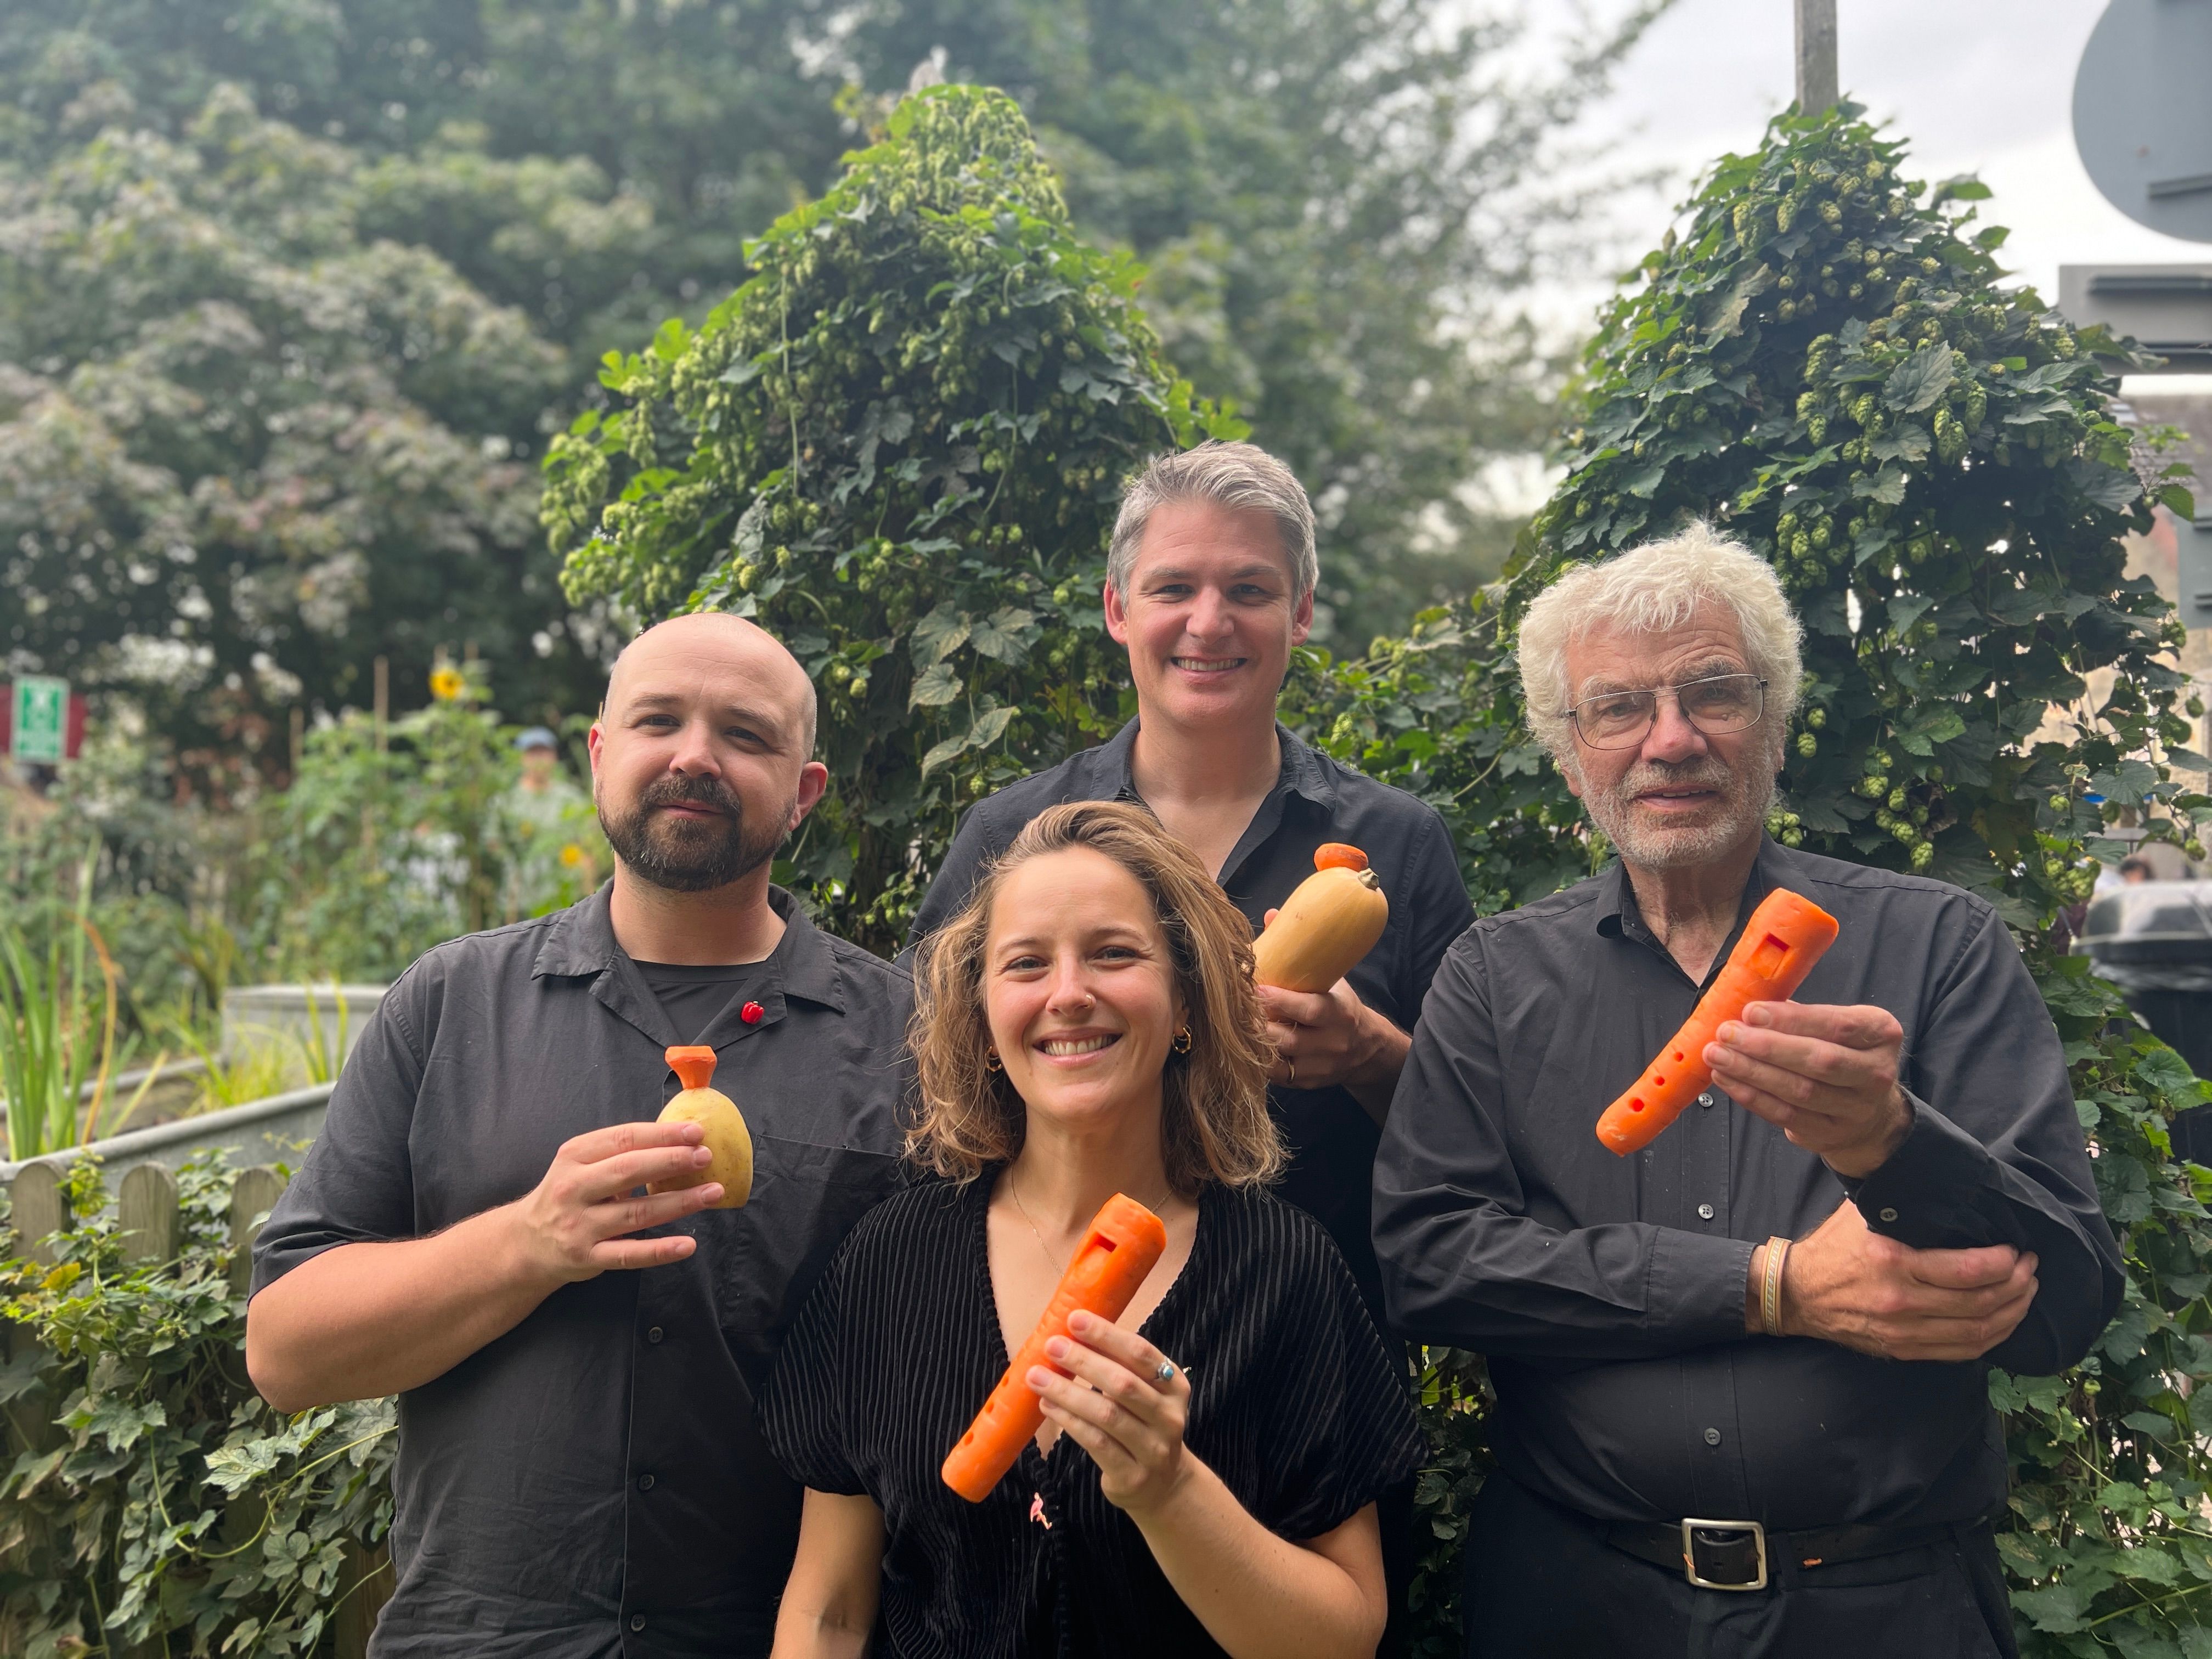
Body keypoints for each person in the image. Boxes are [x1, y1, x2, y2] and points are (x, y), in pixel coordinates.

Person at [1372, 524, 2125, 1658]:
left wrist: (1895, 1145)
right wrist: (1771, 1286)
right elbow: (1432, 1265)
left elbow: (2064, 1302)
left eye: (1713, 692)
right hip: (1580, 1602)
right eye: (1619, 708)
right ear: (1572, 754)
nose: (1670, 740)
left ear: (1775, 722)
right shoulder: (1495, 976)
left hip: (1886, 1609)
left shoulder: (1938, 945)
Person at [246, 614, 916, 1658]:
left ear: (804, 791)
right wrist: (525, 1242)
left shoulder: (904, 1040)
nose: (694, 753)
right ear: (602, 753)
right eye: (658, 719)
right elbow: (285, 1351)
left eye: (744, 733)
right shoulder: (448, 1005)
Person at [763, 801, 1424, 1658]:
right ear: (986, 1019)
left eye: (1114, 954)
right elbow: (829, 1613)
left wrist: (1171, 1490)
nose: (1069, 994)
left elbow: (1343, 1637)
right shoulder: (888, 1261)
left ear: (1185, 1001)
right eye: (1026, 963)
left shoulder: (1285, 1270)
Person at [908, 441, 1473, 1329]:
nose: (1208, 623)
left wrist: (1369, 1055)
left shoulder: (1396, 844)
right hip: (1043, 1331)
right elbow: (927, 1092)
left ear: (1301, 614)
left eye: (1248, 590)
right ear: (1117, 610)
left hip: (1311, 1352)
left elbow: (1475, 1138)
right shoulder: (1007, 840)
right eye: (1173, 588)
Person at [502, 724, 599, 915]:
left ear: (554, 757)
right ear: (521, 758)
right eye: (532, 753)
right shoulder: (506, 801)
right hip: (519, 900)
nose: (539, 760)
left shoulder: (571, 799)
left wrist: (589, 894)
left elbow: (588, 848)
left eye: (544, 753)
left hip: (564, 899)